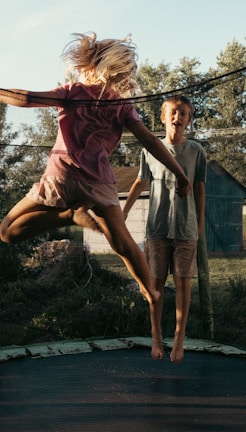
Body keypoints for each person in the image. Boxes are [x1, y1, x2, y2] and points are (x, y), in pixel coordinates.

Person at [0, 32, 192, 306]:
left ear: (92, 63)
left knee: (7, 231)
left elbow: (27, 98)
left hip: (61, 177)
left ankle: (69, 216)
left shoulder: (72, 92)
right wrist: (180, 173)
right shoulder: (121, 105)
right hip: (98, 184)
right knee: (123, 243)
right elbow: (150, 141)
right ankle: (150, 290)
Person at [123, 96, 206, 362]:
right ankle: (156, 336)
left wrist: (200, 222)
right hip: (157, 228)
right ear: (163, 117)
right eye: (173, 112)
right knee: (155, 283)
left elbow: (200, 187)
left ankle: (179, 339)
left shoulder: (196, 151)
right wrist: (122, 212)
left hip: (186, 228)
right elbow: (139, 182)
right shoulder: (150, 148)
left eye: (183, 114)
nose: (177, 118)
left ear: (188, 120)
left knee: (183, 282)